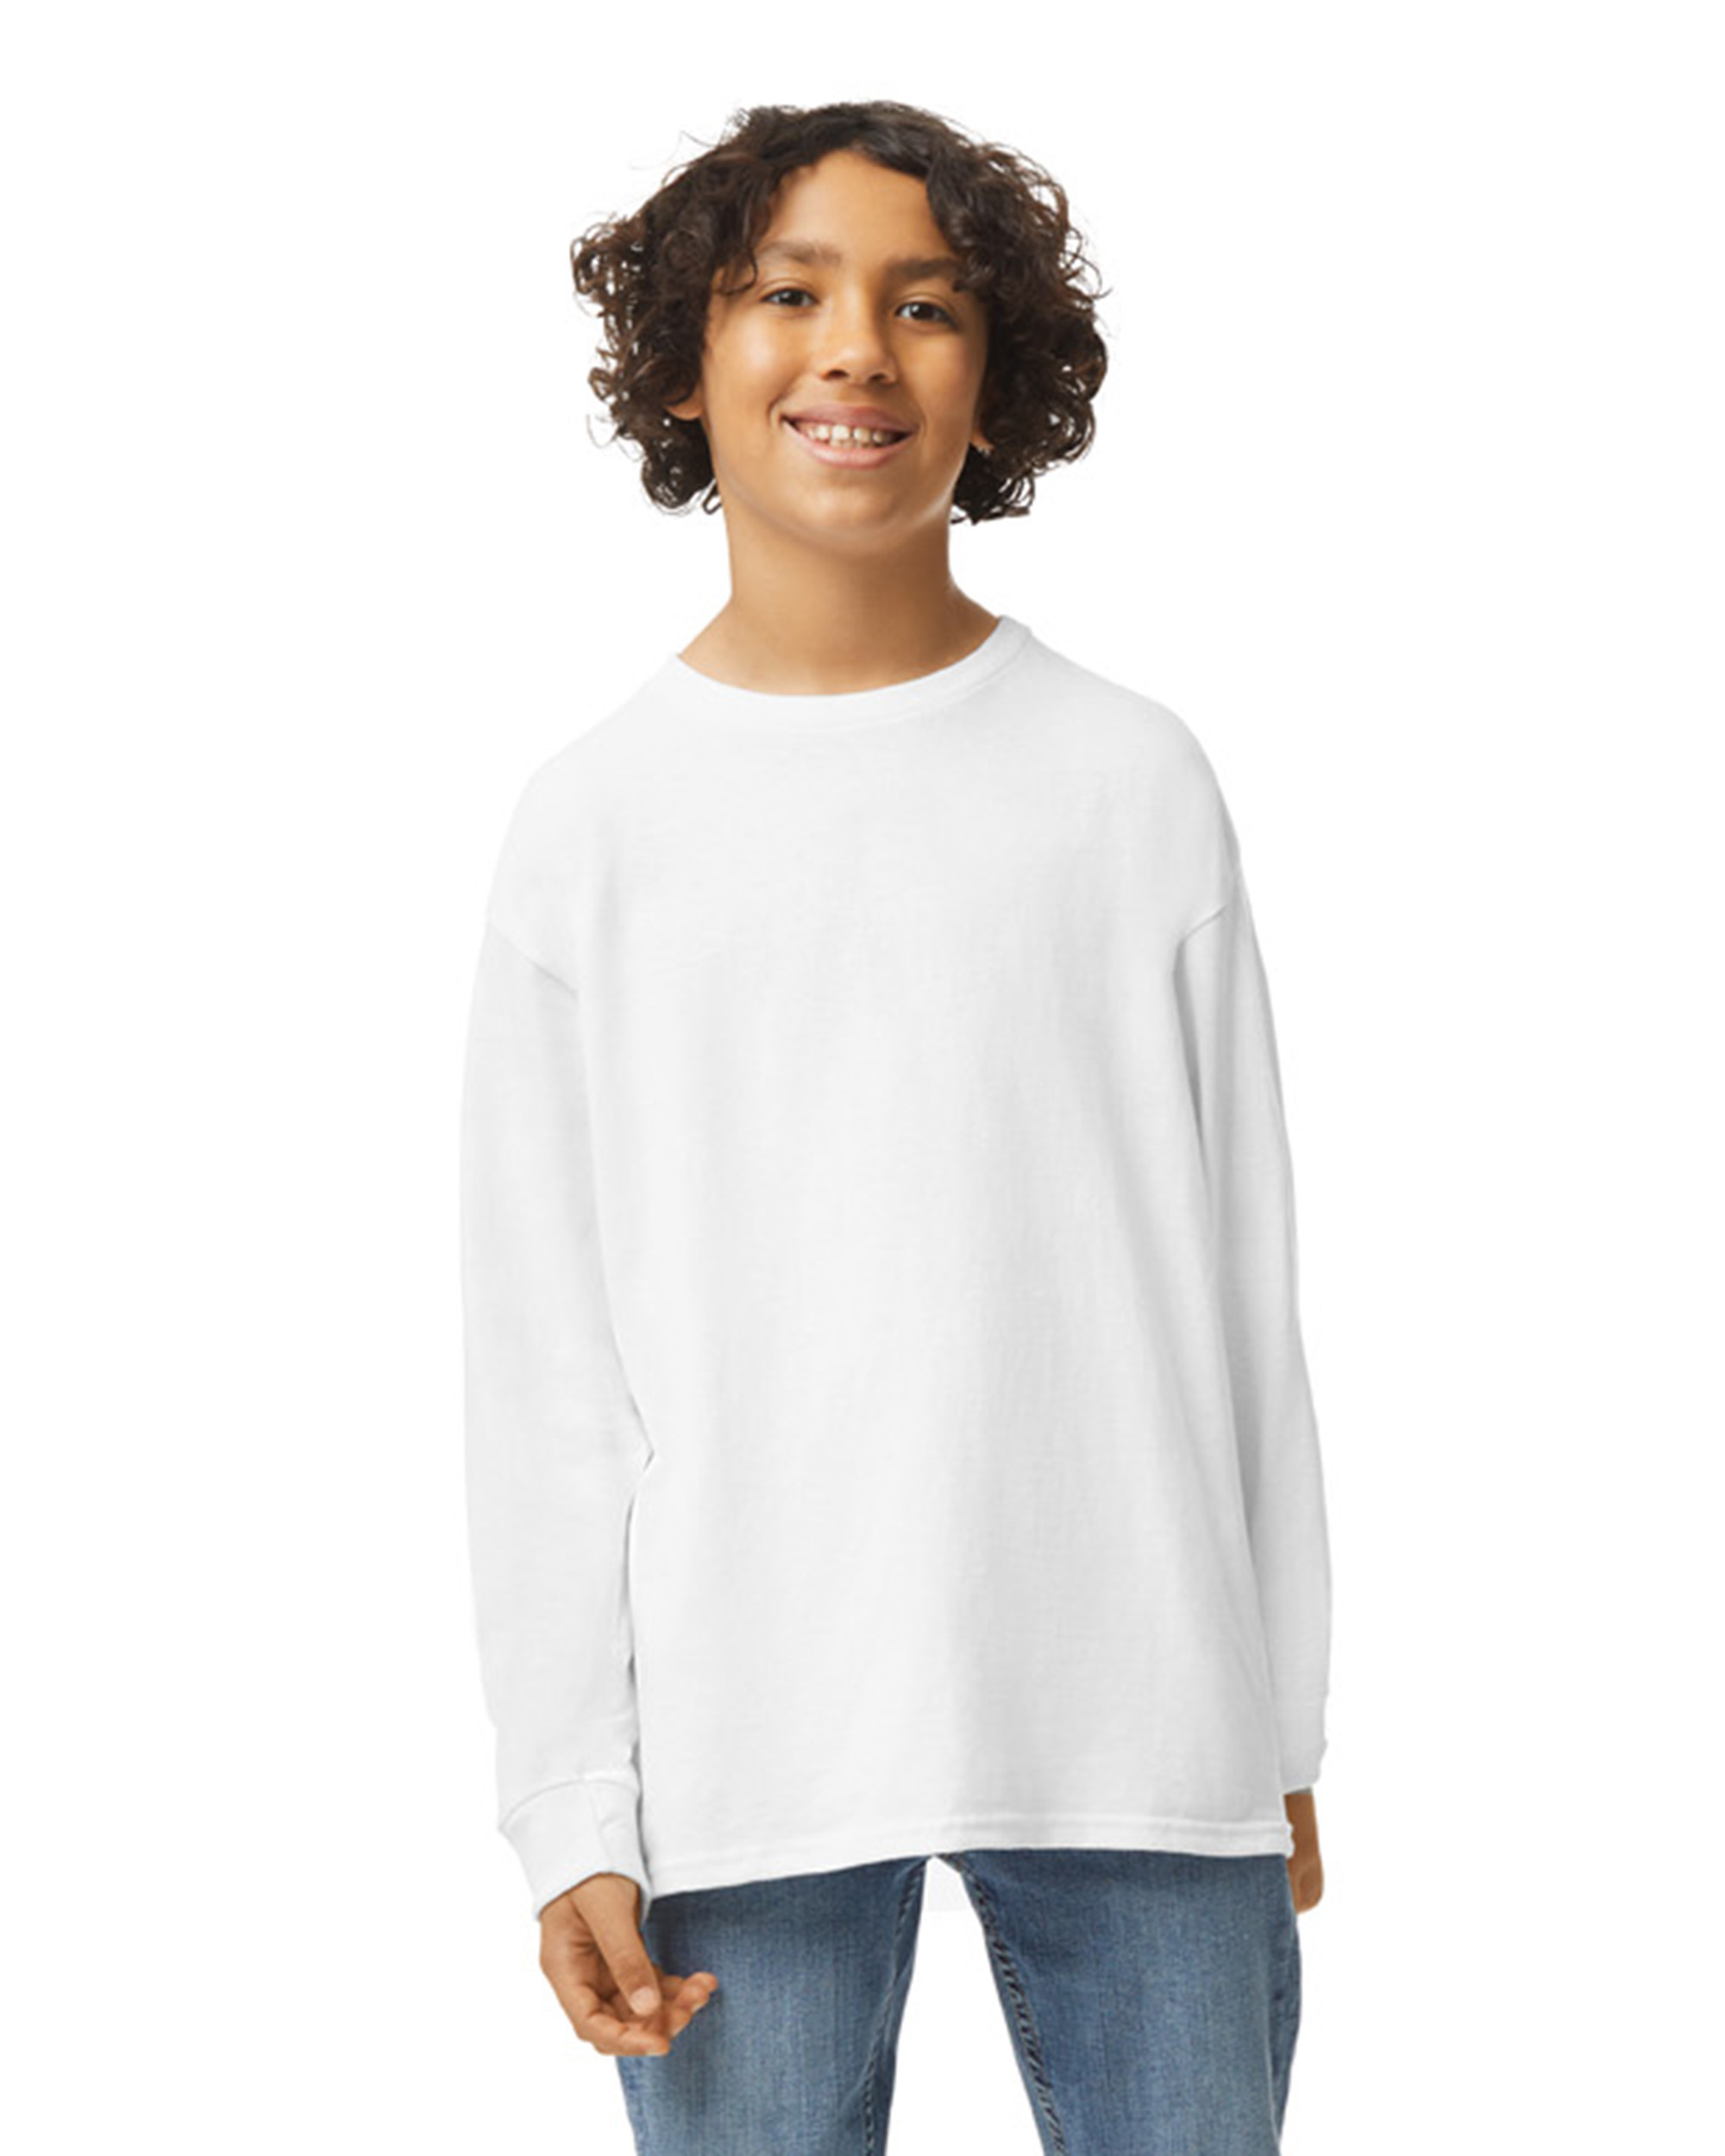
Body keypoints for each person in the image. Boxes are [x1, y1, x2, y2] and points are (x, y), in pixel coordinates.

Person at [461, 98, 1333, 2155]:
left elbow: (1240, 1285)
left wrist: (1277, 1715)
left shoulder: (1129, 782)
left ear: (994, 379)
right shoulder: (597, 828)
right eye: (789, 294)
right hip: (744, 1751)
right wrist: (569, 1798)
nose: (855, 345)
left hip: (1139, 1715)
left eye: (925, 305)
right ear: (685, 365)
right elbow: (543, 1369)